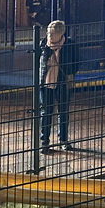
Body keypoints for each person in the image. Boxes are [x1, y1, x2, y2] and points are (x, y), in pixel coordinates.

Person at [38, 20, 79, 154]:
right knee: (46, 112)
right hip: (46, 82)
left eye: (52, 33)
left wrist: (69, 72)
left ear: (61, 34)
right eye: (48, 32)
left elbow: (77, 62)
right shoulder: (43, 45)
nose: (49, 35)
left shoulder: (70, 45)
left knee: (63, 111)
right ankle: (44, 141)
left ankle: (63, 140)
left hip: (63, 81)